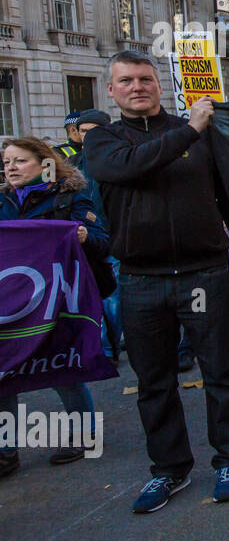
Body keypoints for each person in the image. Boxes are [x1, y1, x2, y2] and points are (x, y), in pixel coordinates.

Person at [84, 50, 229, 513]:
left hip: (203, 274)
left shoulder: (199, 134)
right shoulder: (102, 141)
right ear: (112, 90)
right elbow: (130, 167)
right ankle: (170, 470)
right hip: (139, 280)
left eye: (145, 79)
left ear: (159, 85)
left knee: (222, 373)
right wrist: (191, 129)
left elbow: (227, 196)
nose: (137, 87)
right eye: (126, 81)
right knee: (155, 383)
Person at [0, 136, 108, 474]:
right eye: (6, 163)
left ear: (44, 162)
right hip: (11, 304)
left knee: (61, 369)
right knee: (4, 373)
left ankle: (84, 434)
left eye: (19, 161)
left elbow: (104, 243)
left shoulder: (72, 194)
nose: (10, 168)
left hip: (56, 299)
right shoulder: (2, 201)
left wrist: (82, 236)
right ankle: (5, 451)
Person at [71, 110, 123, 363]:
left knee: (113, 296)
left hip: (115, 236)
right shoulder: (72, 166)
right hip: (86, 238)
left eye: (93, 130)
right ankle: (105, 347)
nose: (87, 136)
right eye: (83, 131)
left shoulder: (118, 159)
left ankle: (114, 343)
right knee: (93, 294)